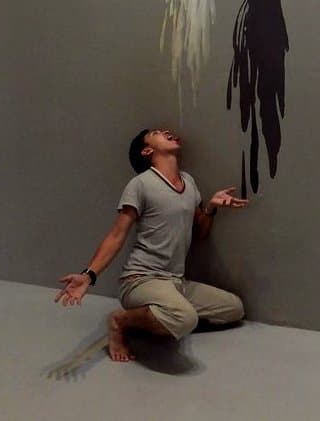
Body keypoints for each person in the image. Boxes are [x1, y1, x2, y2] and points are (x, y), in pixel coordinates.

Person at [54, 128, 248, 362]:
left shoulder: (188, 182)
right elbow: (116, 235)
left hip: (176, 281)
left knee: (234, 309)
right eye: (157, 132)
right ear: (147, 151)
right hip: (141, 280)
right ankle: (120, 321)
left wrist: (211, 208)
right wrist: (89, 275)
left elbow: (200, 234)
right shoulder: (140, 184)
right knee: (185, 319)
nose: (167, 131)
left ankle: (162, 315)